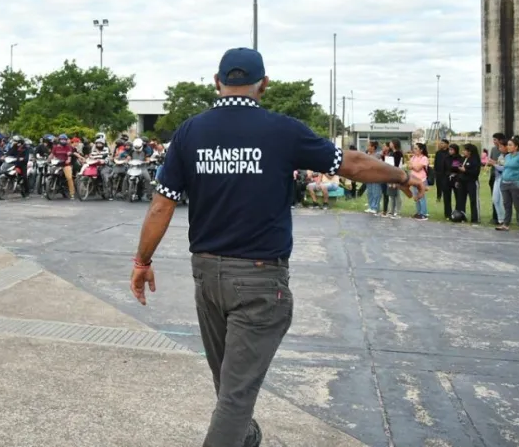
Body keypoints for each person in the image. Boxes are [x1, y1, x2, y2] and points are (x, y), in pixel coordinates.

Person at [129, 47, 424, 447]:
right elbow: (352, 164)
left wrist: (142, 261)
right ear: (264, 85)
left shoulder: (189, 133)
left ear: (217, 83)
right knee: (234, 395)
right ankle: (240, 434)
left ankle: (245, 437)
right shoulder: (283, 131)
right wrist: (401, 175)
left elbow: (162, 204)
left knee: (230, 387)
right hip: (258, 280)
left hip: (208, 276)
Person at [497, 135, 519, 231]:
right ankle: (506, 225)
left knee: (518, 206)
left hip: (515, 184)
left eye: (510, 145)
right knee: (507, 205)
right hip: (504, 184)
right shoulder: (507, 156)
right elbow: (505, 169)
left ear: (516, 147)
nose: (508, 147)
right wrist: (502, 181)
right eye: (508, 145)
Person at [455, 143, 482, 224]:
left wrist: (466, 170)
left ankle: (475, 218)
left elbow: (476, 173)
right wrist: (458, 180)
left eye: (465, 150)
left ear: (469, 151)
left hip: (472, 182)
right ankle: (461, 217)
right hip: (462, 182)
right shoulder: (462, 159)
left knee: (473, 200)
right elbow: (458, 169)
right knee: (461, 200)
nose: (463, 152)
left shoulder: (475, 160)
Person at [486, 133, 506, 225]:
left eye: (495, 140)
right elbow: (492, 161)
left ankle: (503, 219)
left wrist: (494, 163)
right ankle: (496, 217)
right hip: (494, 176)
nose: (494, 142)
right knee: (495, 198)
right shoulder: (494, 149)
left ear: (501, 140)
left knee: (502, 199)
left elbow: (502, 164)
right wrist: (489, 163)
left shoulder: (506, 151)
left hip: (503, 177)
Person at [51, 133, 77, 199]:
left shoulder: (68, 147)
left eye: (64, 140)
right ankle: (47, 190)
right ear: (59, 140)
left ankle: (72, 193)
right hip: (56, 165)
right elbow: (51, 155)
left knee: (69, 177)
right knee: (50, 174)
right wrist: (47, 160)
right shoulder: (55, 147)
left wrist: (68, 160)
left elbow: (69, 155)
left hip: (66, 165)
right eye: (62, 140)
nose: (63, 141)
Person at [408, 143, 430, 220]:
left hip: (421, 180)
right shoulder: (413, 157)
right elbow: (409, 166)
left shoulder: (424, 158)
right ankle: (419, 212)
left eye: (416, 148)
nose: (414, 150)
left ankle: (424, 213)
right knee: (416, 197)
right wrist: (413, 166)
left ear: (421, 150)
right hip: (413, 180)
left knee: (421, 197)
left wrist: (412, 166)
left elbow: (418, 169)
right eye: (414, 148)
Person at [444, 143, 463, 219]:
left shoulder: (459, 158)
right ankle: (448, 213)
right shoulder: (446, 158)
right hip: (447, 178)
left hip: (456, 179)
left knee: (458, 196)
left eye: (452, 150)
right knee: (446, 196)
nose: (450, 151)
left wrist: (454, 174)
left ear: (456, 150)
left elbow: (457, 168)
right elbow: (445, 168)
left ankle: (458, 213)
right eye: (449, 149)